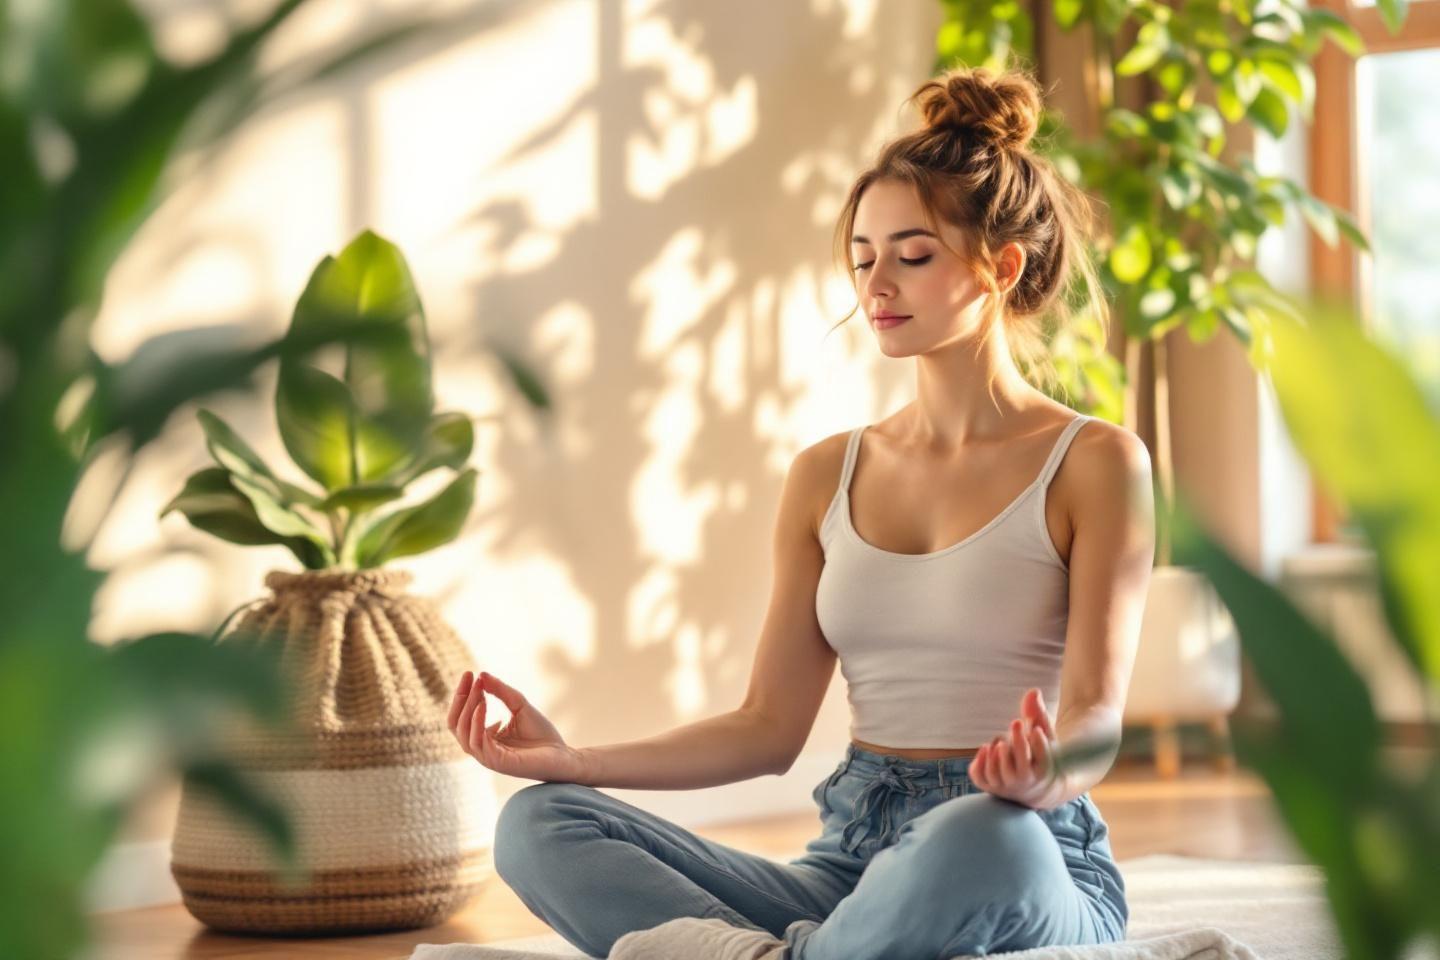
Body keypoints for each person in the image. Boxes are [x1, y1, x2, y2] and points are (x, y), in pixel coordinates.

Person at [446, 63, 1156, 960]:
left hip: (1025, 850)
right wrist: (572, 761)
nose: (877, 284)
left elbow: (1093, 723)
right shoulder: (827, 473)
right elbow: (766, 728)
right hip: (847, 867)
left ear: (1001, 266)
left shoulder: (1093, 463)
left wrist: (1040, 773)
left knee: (985, 835)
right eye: (863, 257)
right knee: (540, 825)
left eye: (913, 253)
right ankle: (822, 952)